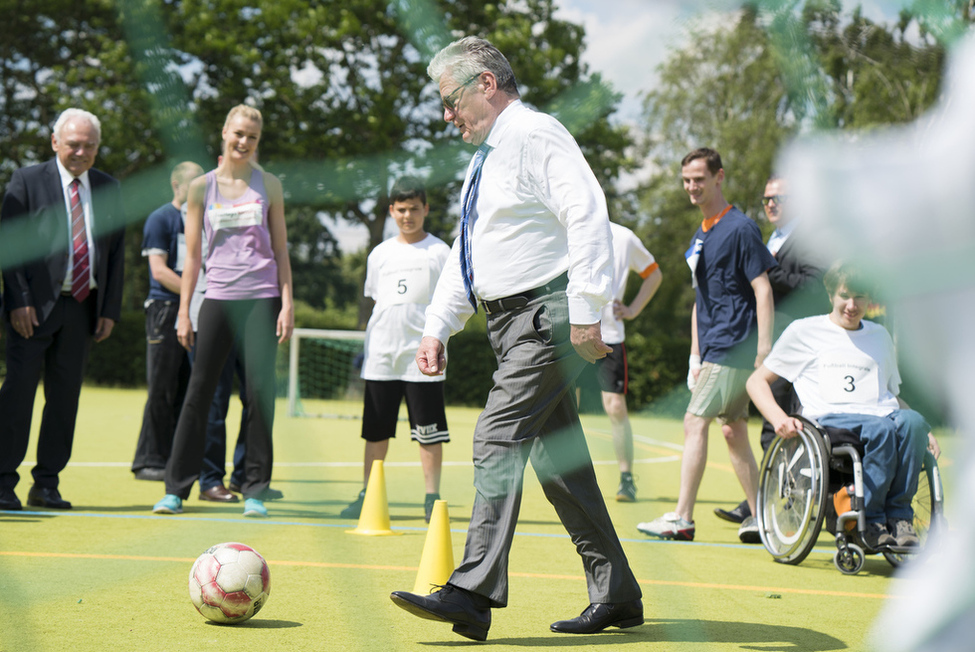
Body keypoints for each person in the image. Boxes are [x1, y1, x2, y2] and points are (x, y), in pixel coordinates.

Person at [389, 36, 643, 641]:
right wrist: (437, 326)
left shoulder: (535, 134)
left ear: (486, 84)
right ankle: (619, 596)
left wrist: (585, 309)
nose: (447, 116)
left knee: (496, 434)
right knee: (562, 468)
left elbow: (588, 214)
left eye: (451, 101)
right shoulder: (487, 158)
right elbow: (470, 255)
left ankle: (473, 592)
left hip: (546, 318)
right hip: (509, 324)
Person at [151, 104, 293, 518]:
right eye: (238, 134)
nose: (243, 141)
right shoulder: (201, 188)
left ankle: (254, 490)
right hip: (216, 299)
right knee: (198, 394)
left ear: (257, 141)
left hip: (262, 300)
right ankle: (175, 489)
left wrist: (287, 303)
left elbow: (281, 249)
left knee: (258, 396)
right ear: (224, 135)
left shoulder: (269, 185)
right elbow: (192, 257)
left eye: (251, 136)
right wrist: (183, 312)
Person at [746, 261, 940, 549]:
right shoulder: (805, 331)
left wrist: (922, 427)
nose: (852, 304)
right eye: (845, 296)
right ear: (830, 294)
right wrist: (778, 418)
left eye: (859, 296)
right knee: (880, 429)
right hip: (831, 419)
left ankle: (900, 518)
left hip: (880, 415)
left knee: (913, 423)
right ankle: (870, 519)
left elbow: (888, 395)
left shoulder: (879, 336)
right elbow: (756, 381)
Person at [636, 148, 775, 543]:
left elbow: (762, 289)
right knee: (732, 430)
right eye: (686, 180)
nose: (692, 187)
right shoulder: (702, 234)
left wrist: (764, 349)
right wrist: (694, 355)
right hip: (713, 348)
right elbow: (701, 301)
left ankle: (682, 517)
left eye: (699, 179)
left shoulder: (741, 228)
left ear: (719, 177)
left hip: (736, 345)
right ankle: (761, 518)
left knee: (694, 422)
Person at [0, 108, 126, 511]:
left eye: (89, 145)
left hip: (83, 309)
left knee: (65, 400)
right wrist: (18, 300)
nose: (81, 152)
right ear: (55, 142)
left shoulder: (108, 187)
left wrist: (109, 308)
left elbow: (117, 253)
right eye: (74, 143)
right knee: (17, 396)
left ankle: (47, 484)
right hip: (33, 309)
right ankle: (3, 483)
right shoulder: (26, 181)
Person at [713, 174, 828, 524]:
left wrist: (764, 272)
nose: (771, 205)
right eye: (766, 200)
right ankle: (763, 500)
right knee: (769, 423)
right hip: (771, 343)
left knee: (785, 423)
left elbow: (815, 286)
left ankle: (786, 506)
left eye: (779, 198)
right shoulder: (774, 238)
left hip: (797, 346)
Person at [340, 176, 451, 524]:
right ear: (391, 211)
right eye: (401, 210)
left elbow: (450, 301)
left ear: (426, 209)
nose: (408, 216)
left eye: (414, 209)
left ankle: (431, 499)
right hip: (382, 357)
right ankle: (367, 496)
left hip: (423, 359)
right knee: (376, 431)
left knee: (429, 433)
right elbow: (377, 299)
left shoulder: (440, 252)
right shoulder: (380, 254)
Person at [131, 161, 202, 483]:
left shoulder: (203, 220)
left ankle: (177, 459)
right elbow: (158, 271)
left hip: (196, 309)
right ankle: (148, 460)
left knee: (189, 389)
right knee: (161, 387)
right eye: (193, 184)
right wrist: (196, 290)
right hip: (165, 310)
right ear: (176, 184)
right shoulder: (161, 218)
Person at [596, 221, 662, 502]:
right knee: (563, 406)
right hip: (572, 332)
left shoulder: (624, 237)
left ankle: (626, 478)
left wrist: (633, 309)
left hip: (609, 336)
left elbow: (654, 274)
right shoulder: (566, 227)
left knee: (616, 408)